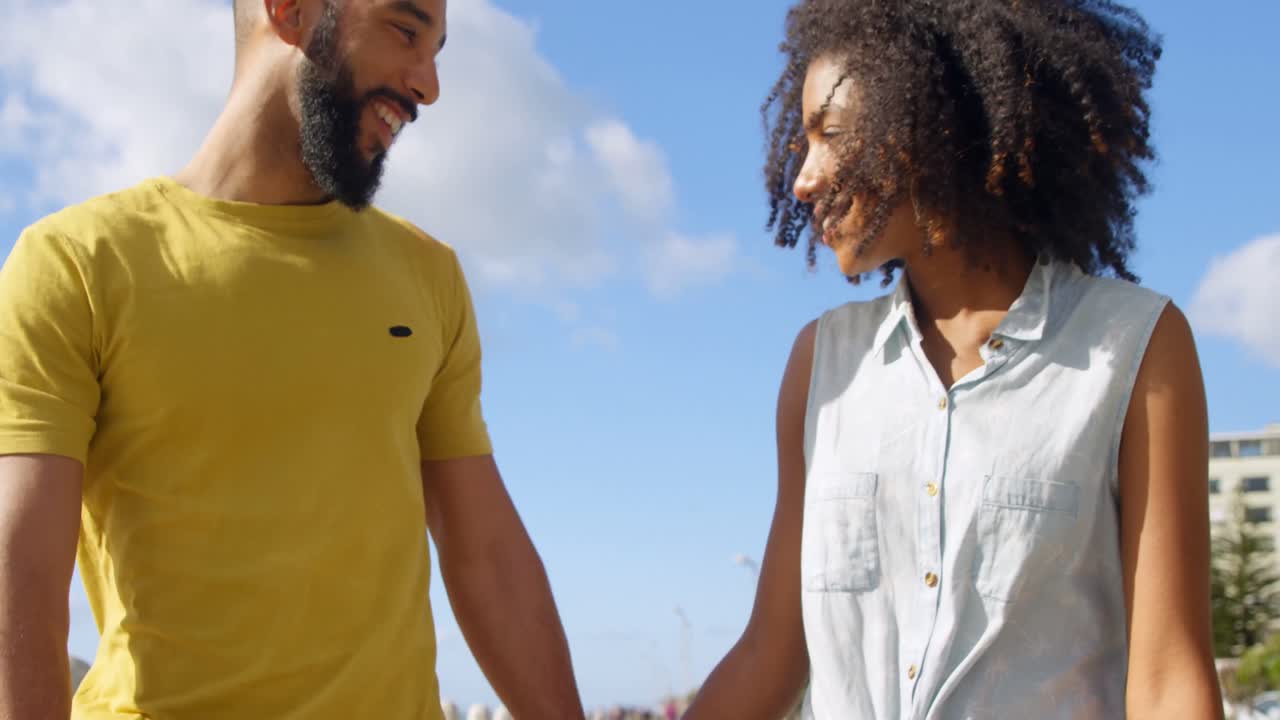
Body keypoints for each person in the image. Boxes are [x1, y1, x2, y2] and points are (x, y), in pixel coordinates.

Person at [0, 1, 584, 718]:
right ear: (291, 11)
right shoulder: (77, 262)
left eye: (439, 51)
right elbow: (21, 571)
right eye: (405, 32)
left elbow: (487, 556)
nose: (429, 84)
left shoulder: (427, 274)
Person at [685, 1, 1223, 718]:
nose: (803, 181)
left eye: (830, 135)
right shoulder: (822, 365)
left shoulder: (1135, 348)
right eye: (800, 144)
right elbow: (770, 656)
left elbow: (1167, 682)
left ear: (927, 127)